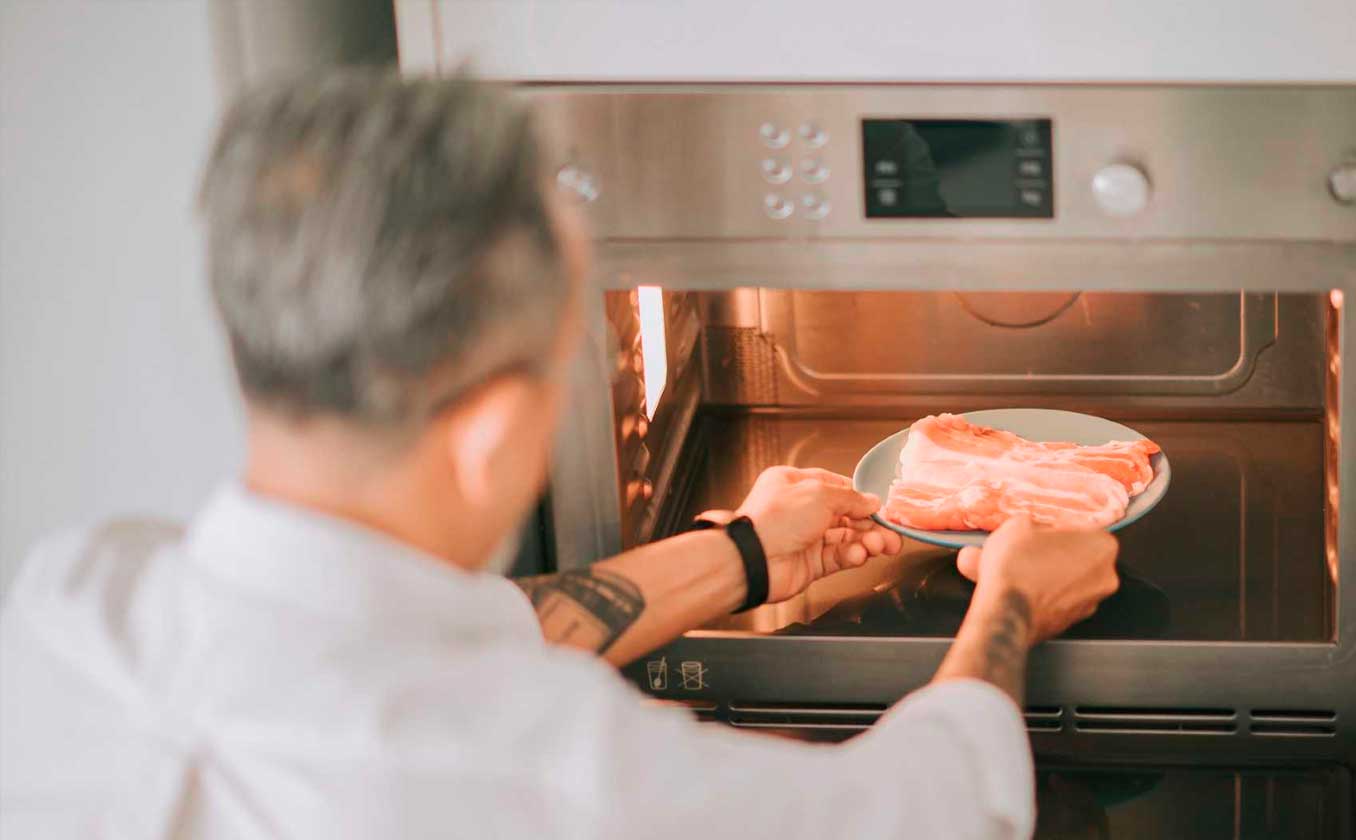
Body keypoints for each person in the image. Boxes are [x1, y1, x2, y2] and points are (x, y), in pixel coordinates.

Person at [0, 71, 1120, 839]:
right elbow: (928, 814)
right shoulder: (563, 786)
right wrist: (1009, 605)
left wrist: (743, 555)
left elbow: (394, 644)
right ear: (490, 435)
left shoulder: (69, 600)